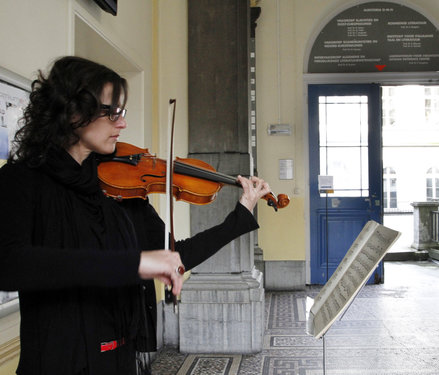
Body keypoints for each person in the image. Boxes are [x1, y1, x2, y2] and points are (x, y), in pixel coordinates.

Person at [0, 56, 270, 375]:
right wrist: (133, 264)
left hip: (121, 360)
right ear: (72, 111)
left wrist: (240, 215)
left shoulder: (119, 191)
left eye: (122, 112)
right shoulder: (21, 180)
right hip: (59, 362)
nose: (122, 123)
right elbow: (10, 265)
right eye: (112, 112)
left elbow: (174, 256)